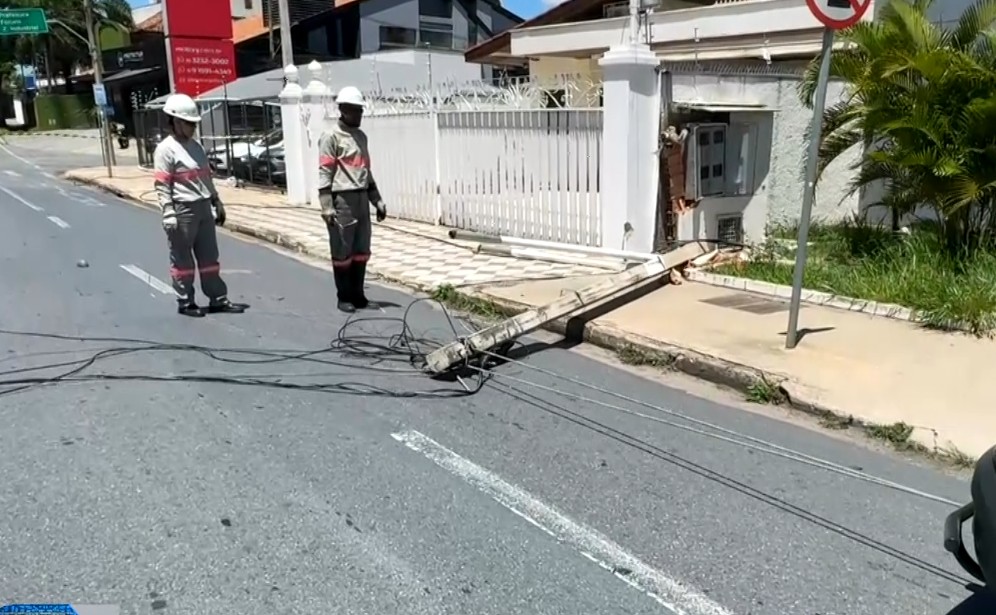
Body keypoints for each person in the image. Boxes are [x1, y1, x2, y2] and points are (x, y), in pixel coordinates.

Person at [153, 93, 248, 318]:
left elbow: (205, 178)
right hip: (182, 210)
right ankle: (186, 301)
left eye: (194, 124)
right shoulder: (166, 149)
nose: (193, 128)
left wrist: (216, 200)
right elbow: (162, 184)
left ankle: (217, 298)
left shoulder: (196, 147)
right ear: (176, 121)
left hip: (203, 206)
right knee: (183, 259)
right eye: (189, 124)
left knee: (209, 258)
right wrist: (168, 213)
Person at [317, 86, 388, 313]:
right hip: (343, 199)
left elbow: (365, 173)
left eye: (360, 110)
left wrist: (377, 200)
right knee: (342, 250)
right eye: (355, 110)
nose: (359, 115)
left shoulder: (361, 137)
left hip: (361, 199)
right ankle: (344, 296)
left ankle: (359, 295)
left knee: (361, 249)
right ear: (344, 110)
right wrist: (327, 206)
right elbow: (325, 173)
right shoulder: (331, 137)